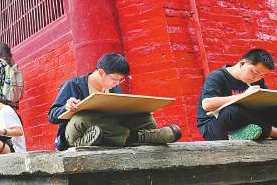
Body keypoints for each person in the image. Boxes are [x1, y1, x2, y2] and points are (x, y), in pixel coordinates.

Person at [48, 53, 182, 150]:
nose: (117, 83)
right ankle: (140, 138)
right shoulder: (74, 85)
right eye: (114, 79)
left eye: (121, 80)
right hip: (77, 132)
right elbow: (52, 116)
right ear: (101, 72)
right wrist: (66, 107)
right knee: (82, 118)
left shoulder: (114, 89)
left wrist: (138, 110)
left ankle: (105, 140)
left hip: (105, 129)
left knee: (147, 119)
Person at [197, 48, 277, 143]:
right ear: (242, 63)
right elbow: (207, 104)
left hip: (248, 121)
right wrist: (243, 96)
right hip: (216, 127)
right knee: (234, 111)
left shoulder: (257, 80)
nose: (256, 78)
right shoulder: (217, 76)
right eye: (254, 72)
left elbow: (263, 104)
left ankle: (247, 133)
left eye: (262, 76)